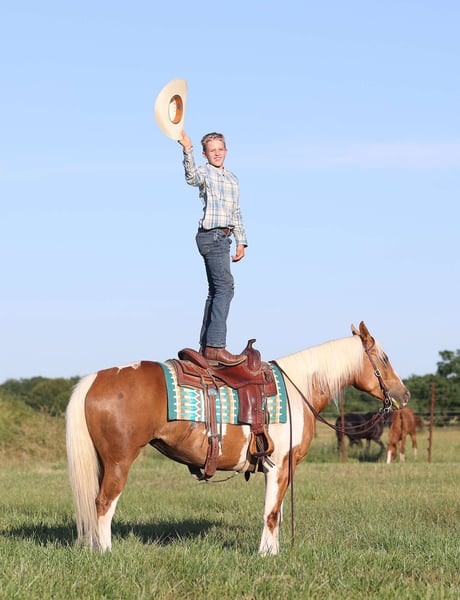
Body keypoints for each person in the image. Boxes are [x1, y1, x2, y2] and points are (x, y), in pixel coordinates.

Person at [178, 130, 248, 367]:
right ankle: (216, 347)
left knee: (216, 291)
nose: (216, 154)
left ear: (226, 151)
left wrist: (241, 240)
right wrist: (187, 149)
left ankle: (206, 346)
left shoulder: (233, 179)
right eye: (212, 150)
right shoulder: (205, 173)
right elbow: (191, 177)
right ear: (205, 154)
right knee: (226, 288)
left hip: (225, 236)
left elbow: (236, 212)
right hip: (212, 235)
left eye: (220, 149)